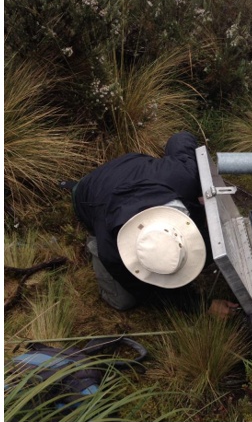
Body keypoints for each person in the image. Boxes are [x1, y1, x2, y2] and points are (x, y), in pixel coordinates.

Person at [64, 131, 236, 317]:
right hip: (87, 194)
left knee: (208, 243)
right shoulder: (112, 250)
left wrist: (204, 184)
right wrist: (202, 306)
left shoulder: (185, 176)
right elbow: (152, 291)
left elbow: (180, 138)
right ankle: (92, 245)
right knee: (124, 300)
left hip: (132, 168)